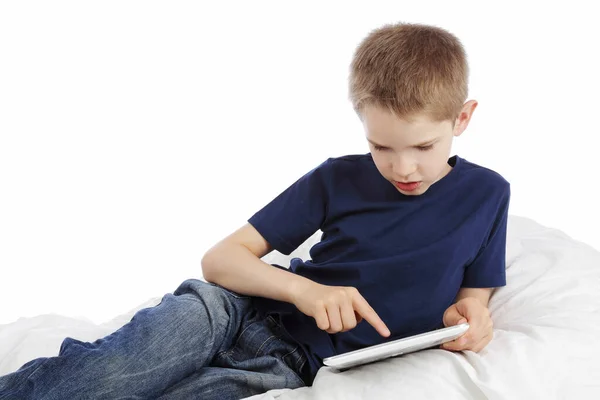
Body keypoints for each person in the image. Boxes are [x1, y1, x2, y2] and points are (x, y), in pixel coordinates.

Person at [0, 21, 510, 399]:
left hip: (291, 363)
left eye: (422, 147)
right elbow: (221, 259)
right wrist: (304, 290)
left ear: (462, 118)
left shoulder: (489, 194)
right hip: (231, 312)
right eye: (381, 147)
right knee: (106, 374)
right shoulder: (337, 178)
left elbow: (475, 293)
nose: (403, 167)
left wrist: (472, 315)